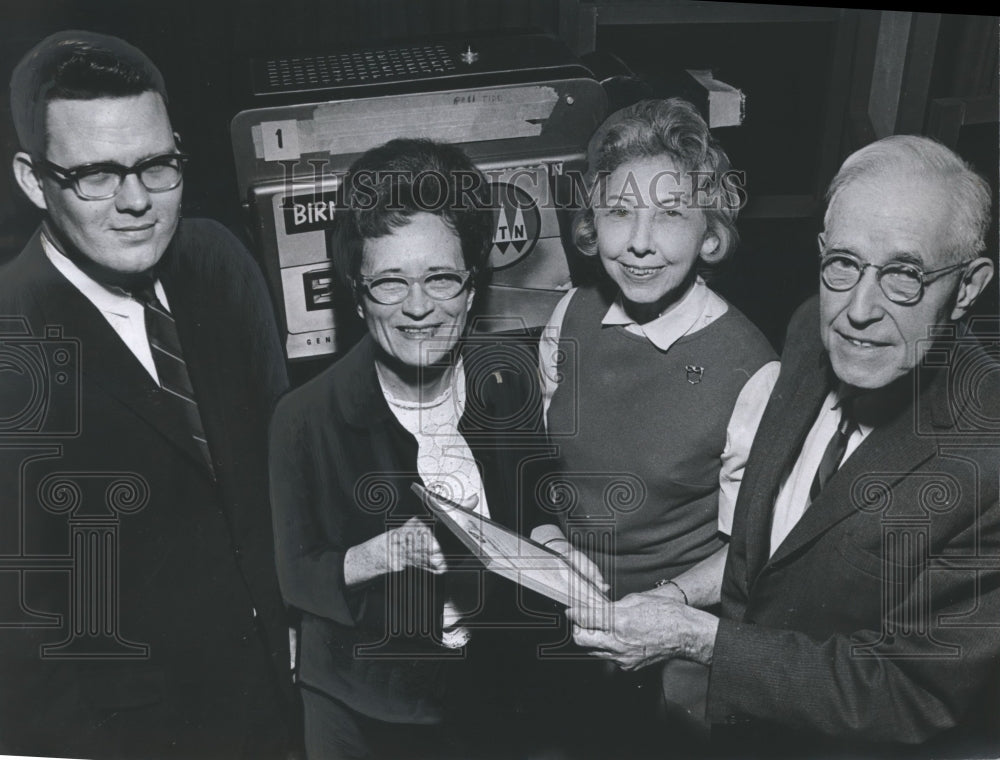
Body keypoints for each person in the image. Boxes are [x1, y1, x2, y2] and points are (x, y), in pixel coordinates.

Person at [571, 134, 1000, 758]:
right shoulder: (808, 330)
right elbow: (765, 544)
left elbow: (910, 691)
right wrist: (675, 597)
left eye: (904, 276)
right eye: (843, 263)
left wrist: (700, 639)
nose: (857, 309)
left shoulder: (985, 459)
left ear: (967, 287)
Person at [0, 31, 295, 758]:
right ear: (34, 181)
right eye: (95, 176)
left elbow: (277, 474)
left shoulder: (221, 260)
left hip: (285, 711)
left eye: (155, 165)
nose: (136, 202)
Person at [269, 137, 545, 759]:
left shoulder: (511, 380)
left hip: (490, 699)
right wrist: (380, 554)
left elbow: (537, 500)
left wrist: (552, 543)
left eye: (441, 278)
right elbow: (297, 577)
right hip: (364, 710)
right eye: (389, 283)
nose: (418, 308)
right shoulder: (303, 418)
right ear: (356, 292)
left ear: (474, 287)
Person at [530, 98, 779, 755]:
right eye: (618, 213)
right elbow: (544, 468)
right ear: (592, 225)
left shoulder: (751, 370)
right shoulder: (569, 320)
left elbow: (753, 554)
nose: (640, 242)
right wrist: (548, 538)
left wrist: (665, 606)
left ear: (709, 232)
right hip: (560, 618)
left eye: (670, 214)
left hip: (672, 652)